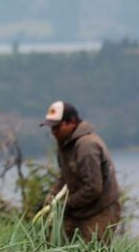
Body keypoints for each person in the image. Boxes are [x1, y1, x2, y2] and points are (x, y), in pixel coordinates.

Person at [41, 101, 121, 242]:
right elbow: (65, 178)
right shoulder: (64, 144)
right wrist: (52, 197)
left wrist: (66, 204)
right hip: (78, 209)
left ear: (71, 122)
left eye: (57, 127)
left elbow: (93, 188)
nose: (54, 132)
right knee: (56, 247)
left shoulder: (87, 145)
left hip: (100, 210)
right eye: (51, 128)